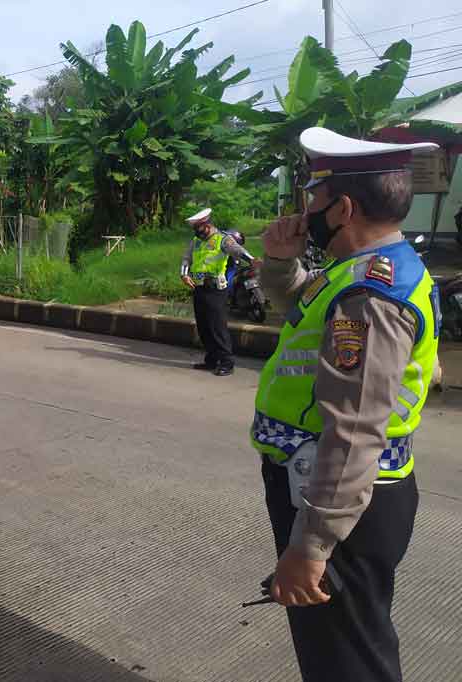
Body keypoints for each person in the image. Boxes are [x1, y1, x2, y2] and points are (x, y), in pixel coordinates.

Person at [252, 127, 441, 682]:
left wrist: (311, 546)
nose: (307, 210)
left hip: (342, 501)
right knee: (345, 648)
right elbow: (304, 307)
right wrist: (281, 262)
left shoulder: (370, 296)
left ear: (345, 207)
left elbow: (355, 429)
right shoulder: (370, 270)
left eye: (315, 198)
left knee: (345, 663)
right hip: (341, 493)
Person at [180, 208, 257, 376]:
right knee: (204, 326)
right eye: (195, 230)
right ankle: (211, 359)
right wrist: (184, 274)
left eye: (199, 229)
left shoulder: (223, 239)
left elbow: (238, 251)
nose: (197, 233)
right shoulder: (196, 241)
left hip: (216, 289)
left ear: (207, 225)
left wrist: (252, 261)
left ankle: (227, 362)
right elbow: (187, 258)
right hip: (198, 287)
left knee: (217, 326)